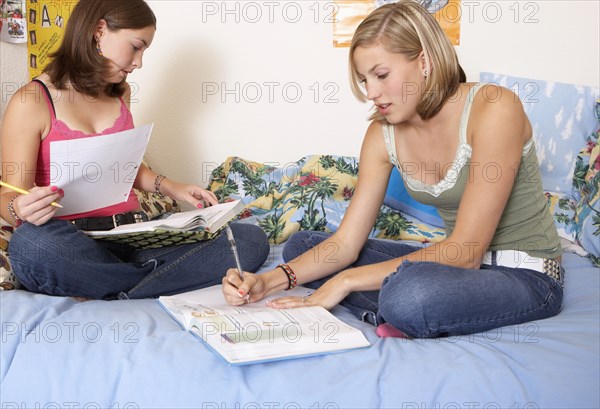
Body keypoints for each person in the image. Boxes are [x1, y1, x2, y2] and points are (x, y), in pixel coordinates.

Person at [222, 0, 563, 339]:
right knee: (302, 247)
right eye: (364, 79)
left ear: (425, 61)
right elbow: (345, 244)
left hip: (524, 277)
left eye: (381, 75)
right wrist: (266, 282)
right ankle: (396, 313)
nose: (371, 92)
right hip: (448, 271)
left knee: (410, 295)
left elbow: (466, 252)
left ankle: (396, 309)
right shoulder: (381, 134)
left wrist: (345, 281)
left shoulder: (495, 108)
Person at [0, 0, 269, 300]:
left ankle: (116, 287)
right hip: (72, 242)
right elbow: (8, 194)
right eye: (136, 47)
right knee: (30, 247)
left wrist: (175, 188)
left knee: (250, 240)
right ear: (99, 31)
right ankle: (149, 281)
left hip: (133, 238)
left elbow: (123, 167)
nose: (139, 62)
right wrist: (19, 208)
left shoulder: (120, 93)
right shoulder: (31, 101)